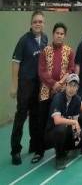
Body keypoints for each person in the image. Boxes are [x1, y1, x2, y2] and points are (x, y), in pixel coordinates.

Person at [10, 10, 48, 165]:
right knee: (21, 117)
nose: (38, 24)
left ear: (43, 23)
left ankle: (34, 144)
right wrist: (14, 85)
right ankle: (16, 151)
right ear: (31, 24)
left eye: (40, 21)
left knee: (36, 116)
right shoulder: (24, 41)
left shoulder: (45, 39)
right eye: (35, 22)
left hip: (39, 85)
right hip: (25, 85)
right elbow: (15, 63)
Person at [36, 22, 75, 162]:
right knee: (42, 123)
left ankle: (62, 149)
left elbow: (71, 69)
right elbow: (41, 71)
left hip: (62, 93)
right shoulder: (45, 51)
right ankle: (39, 151)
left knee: (60, 124)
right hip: (46, 92)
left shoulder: (69, 51)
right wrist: (54, 84)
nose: (59, 35)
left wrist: (61, 82)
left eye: (62, 34)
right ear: (53, 34)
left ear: (65, 36)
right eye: (57, 33)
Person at [44, 74, 82, 170]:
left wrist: (77, 133)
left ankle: (66, 147)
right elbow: (57, 120)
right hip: (52, 133)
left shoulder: (77, 100)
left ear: (78, 88)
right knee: (61, 128)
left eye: (75, 86)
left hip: (67, 130)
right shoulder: (58, 97)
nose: (72, 88)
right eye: (70, 85)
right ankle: (60, 156)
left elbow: (75, 120)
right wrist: (74, 123)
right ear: (65, 85)